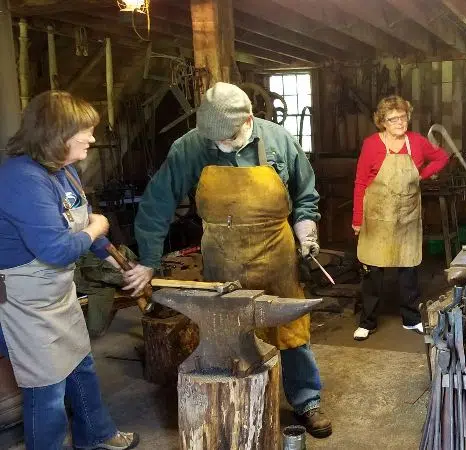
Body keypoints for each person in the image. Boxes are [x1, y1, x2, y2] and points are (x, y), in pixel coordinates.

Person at [123, 82, 331, 438]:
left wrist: (306, 232)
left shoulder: (279, 140)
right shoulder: (190, 146)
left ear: (249, 119)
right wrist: (148, 260)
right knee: (229, 334)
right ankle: (242, 404)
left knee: (291, 329)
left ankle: (306, 400)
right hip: (223, 257)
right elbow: (158, 202)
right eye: (214, 140)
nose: (221, 145)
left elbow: (304, 194)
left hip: (276, 255)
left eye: (228, 138)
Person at [0, 91, 139, 450]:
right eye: (85, 131)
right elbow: (58, 249)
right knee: (46, 390)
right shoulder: (22, 178)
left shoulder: (64, 173)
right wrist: (98, 226)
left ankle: (96, 434)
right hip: (24, 299)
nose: (93, 138)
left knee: (80, 364)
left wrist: (119, 264)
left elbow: (81, 225)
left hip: (54, 291)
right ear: (57, 133)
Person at [351, 95, 449, 341]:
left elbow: (442, 157)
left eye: (403, 116)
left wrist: (421, 175)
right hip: (377, 217)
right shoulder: (372, 144)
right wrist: (357, 219)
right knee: (373, 271)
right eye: (392, 118)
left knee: (408, 269)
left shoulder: (416, 142)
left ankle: (411, 318)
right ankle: (367, 321)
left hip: (406, 216)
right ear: (382, 122)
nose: (399, 122)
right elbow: (361, 182)